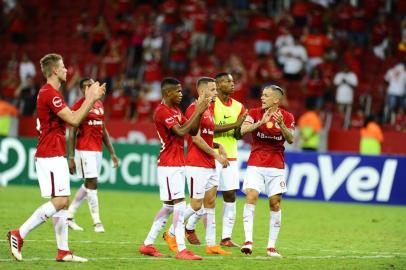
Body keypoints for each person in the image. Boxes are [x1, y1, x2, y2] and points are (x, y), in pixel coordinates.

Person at [7, 53, 105, 262]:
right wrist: (91, 98)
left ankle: (63, 251)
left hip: (55, 152)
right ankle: (19, 234)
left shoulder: (51, 93)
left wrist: (91, 98)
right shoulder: (50, 94)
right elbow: (75, 119)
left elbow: (72, 119)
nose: (66, 69)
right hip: (50, 153)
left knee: (63, 201)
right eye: (63, 66)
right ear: (54, 71)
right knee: (60, 201)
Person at [138, 77, 210, 260]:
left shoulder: (176, 110)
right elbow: (179, 131)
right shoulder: (162, 111)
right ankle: (181, 249)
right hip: (169, 164)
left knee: (169, 206)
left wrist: (199, 112)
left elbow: (192, 131)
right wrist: (197, 112)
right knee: (179, 204)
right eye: (177, 91)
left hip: (176, 162)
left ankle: (147, 244)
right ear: (167, 93)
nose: (181, 94)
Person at [163, 77, 231, 256]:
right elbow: (195, 138)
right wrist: (216, 154)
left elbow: (207, 136)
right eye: (213, 89)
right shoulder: (194, 109)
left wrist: (218, 145)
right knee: (195, 205)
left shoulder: (209, 110)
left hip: (209, 163)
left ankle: (211, 244)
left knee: (210, 203)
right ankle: (170, 233)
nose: (216, 92)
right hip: (196, 164)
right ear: (203, 92)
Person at [184, 72, 246, 247]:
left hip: (230, 155)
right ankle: (188, 226)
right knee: (204, 200)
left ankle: (225, 238)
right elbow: (208, 130)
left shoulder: (239, 106)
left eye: (233, 81)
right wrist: (233, 126)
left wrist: (245, 127)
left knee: (230, 194)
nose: (232, 84)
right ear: (217, 86)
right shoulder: (209, 103)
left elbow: (237, 135)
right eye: (227, 81)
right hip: (211, 153)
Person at [239, 85, 294, 257]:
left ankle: (271, 247)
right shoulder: (255, 113)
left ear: (276, 100)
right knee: (252, 196)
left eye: (266, 95)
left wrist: (282, 125)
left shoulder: (287, 116)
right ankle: (248, 241)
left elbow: (291, 139)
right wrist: (260, 123)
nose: (262, 98)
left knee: (275, 203)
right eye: (262, 95)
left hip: (276, 166)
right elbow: (242, 130)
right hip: (256, 163)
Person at [66, 78, 120, 233]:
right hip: (84, 150)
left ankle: (69, 216)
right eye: (88, 85)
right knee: (93, 183)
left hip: (97, 150)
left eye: (92, 84)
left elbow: (103, 130)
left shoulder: (99, 105)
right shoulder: (79, 106)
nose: (92, 87)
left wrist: (112, 153)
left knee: (88, 184)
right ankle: (97, 222)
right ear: (83, 89)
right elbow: (72, 132)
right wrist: (70, 157)